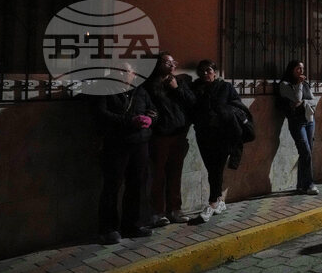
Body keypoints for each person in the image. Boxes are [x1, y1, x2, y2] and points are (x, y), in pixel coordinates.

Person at [95, 64, 157, 244]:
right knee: (112, 186)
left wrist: (150, 119)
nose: (123, 74)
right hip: (116, 144)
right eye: (120, 71)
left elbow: (153, 111)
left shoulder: (141, 91)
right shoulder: (105, 90)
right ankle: (108, 229)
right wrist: (130, 121)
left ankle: (133, 225)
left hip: (140, 143)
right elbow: (101, 114)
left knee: (136, 185)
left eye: (127, 71)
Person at [191, 60, 247, 222]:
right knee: (212, 168)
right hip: (203, 134)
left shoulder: (225, 87)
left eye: (208, 70)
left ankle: (212, 202)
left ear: (215, 72)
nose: (205, 74)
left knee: (216, 167)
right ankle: (219, 200)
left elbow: (238, 106)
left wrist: (224, 115)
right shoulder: (196, 88)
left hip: (222, 135)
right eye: (202, 71)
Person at [144, 52, 194, 226]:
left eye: (173, 61)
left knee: (175, 173)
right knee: (158, 174)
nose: (172, 64)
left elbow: (192, 102)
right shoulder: (150, 85)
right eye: (167, 62)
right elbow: (146, 106)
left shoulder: (179, 82)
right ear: (158, 65)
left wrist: (177, 88)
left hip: (179, 134)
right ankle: (158, 212)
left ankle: (175, 209)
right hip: (159, 136)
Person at [280, 59, 318, 195]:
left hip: (309, 120)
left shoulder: (305, 84)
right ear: (292, 70)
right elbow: (296, 99)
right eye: (298, 69)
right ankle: (310, 184)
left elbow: (314, 101)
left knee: (306, 153)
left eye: (302, 68)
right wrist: (299, 85)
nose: (301, 71)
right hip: (296, 122)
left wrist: (304, 103)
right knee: (305, 152)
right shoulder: (285, 85)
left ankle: (301, 185)